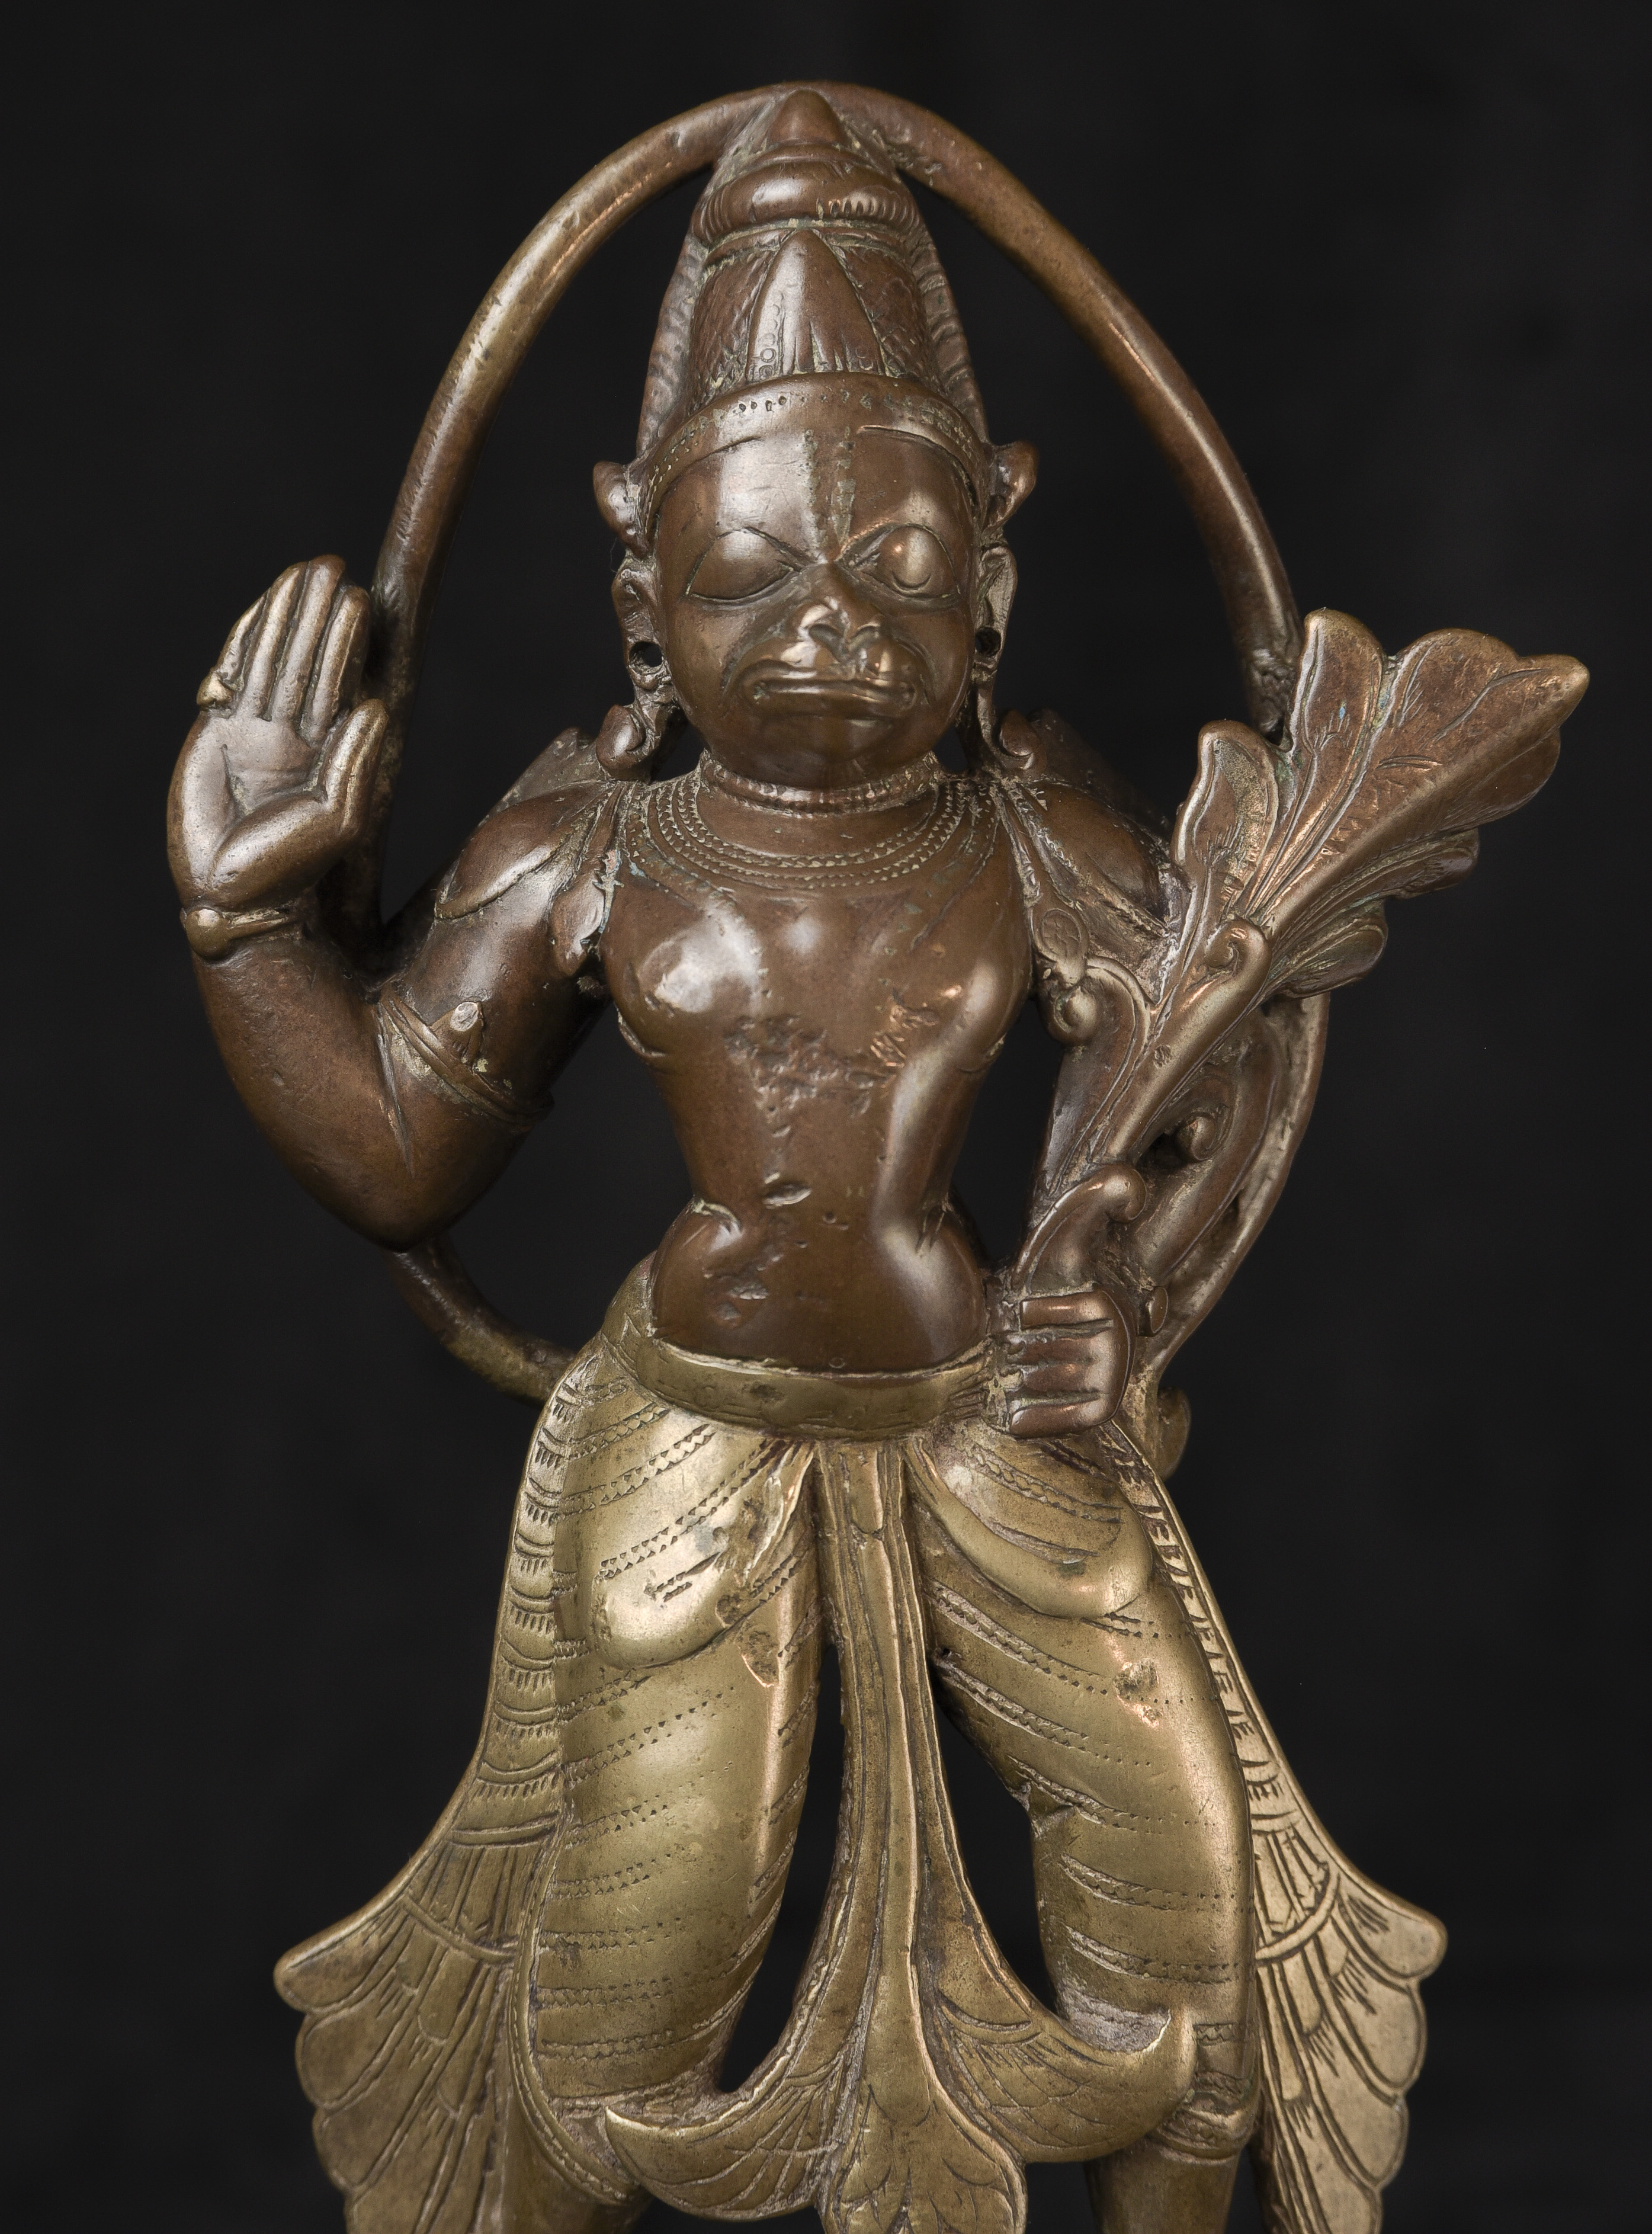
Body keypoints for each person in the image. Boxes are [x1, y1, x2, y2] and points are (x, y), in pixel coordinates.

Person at [171, 87, 1561, 2234]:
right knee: (623, 1979)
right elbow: (394, 1151)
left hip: (992, 1405)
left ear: (992, 575)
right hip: (690, 1438)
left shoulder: (1027, 821)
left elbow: (1229, 1052)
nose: (827, 622)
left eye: (896, 569)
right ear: (642, 586)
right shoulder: (595, 835)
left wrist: (1124, 1296)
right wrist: (249, 929)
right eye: (750, 572)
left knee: (1182, 1922)